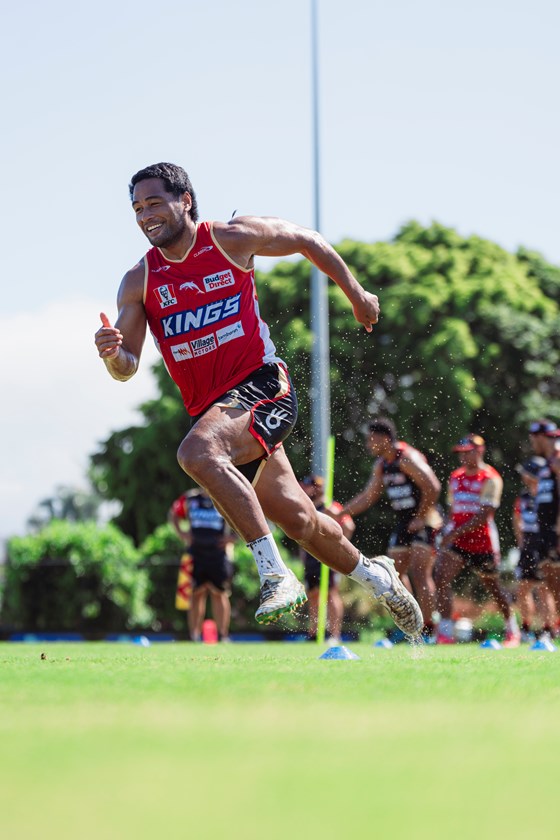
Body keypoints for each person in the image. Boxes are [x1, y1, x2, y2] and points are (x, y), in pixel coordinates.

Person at [94, 162, 423, 638]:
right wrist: (112, 354)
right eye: (137, 208)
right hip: (223, 416)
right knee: (302, 522)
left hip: (264, 386)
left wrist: (357, 294)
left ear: (185, 200)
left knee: (197, 452)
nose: (146, 215)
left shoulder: (231, 239)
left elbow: (307, 240)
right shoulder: (139, 281)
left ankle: (274, 574)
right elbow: (126, 366)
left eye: (154, 203)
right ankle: (379, 578)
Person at [335, 418, 441, 637]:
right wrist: (341, 513)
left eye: (371, 439)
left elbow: (433, 486)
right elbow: (368, 496)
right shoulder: (382, 465)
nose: (368, 445)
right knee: (394, 575)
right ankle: (411, 624)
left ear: (384, 439)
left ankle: (429, 629)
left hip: (426, 519)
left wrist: (420, 517)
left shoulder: (407, 458)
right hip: (404, 522)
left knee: (420, 573)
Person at [434, 434, 520, 646]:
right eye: (460, 453)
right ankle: (445, 632)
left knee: (493, 588)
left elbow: (484, 515)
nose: (463, 457)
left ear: (479, 451)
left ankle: (512, 629)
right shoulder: (455, 477)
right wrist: (444, 529)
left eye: (467, 453)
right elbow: (453, 510)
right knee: (441, 577)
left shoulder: (491, 477)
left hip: (483, 542)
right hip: (458, 541)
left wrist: (454, 533)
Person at [169, 488, 235, 642]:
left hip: (218, 554)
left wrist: (233, 538)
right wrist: (181, 533)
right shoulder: (190, 498)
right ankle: (194, 635)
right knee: (196, 594)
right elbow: (174, 513)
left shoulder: (223, 495)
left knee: (220, 593)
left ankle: (223, 635)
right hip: (195, 553)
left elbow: (243, 516)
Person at [298, 475, 355, 644]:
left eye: (307, 487)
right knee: (313, 594)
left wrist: (338, 550)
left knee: (331, 593)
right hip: (311, 557)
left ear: (317, 488)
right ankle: (314, 632)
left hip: (328, 556)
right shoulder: (308, 507)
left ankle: (334, 634)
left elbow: (349, 527)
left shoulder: (331, 507)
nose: (304, 490)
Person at [512, 457, 556, 642]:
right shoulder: (523, 497)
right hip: (528, 545)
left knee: (545, 588)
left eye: (526, 474)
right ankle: (526, 629)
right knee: (523, 588)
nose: (523, 477)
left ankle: (548, 629)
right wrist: (522, 542)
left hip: (542, 542)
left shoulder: (548, 495)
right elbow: (516, 519)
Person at [528, 420, 560, 616]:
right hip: (545, 531)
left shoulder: (557, 460)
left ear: (540, 437)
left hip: (556, 532)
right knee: (551, 582)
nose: (532, 443)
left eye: (533, 439)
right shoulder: (546, 464)